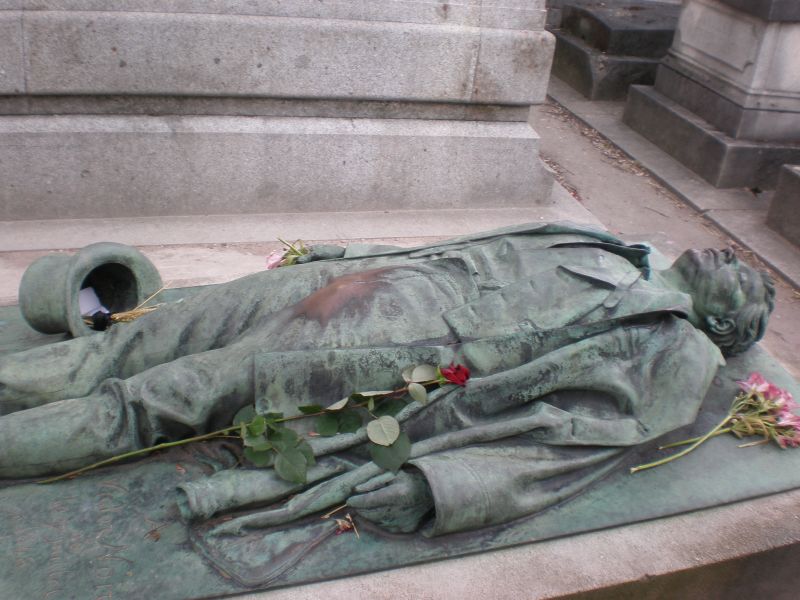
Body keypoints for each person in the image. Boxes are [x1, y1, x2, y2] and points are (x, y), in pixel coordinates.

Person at [0, 223, 775, 535]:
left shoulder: (677, 348)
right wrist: (347, 255)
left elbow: (580, 440)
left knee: (154, 401)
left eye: (746, 284)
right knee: (141, 343)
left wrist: (449, 485)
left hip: (404, 336)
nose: (730, 260)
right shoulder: (613, 240)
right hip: (379, 278)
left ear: (720, 327)